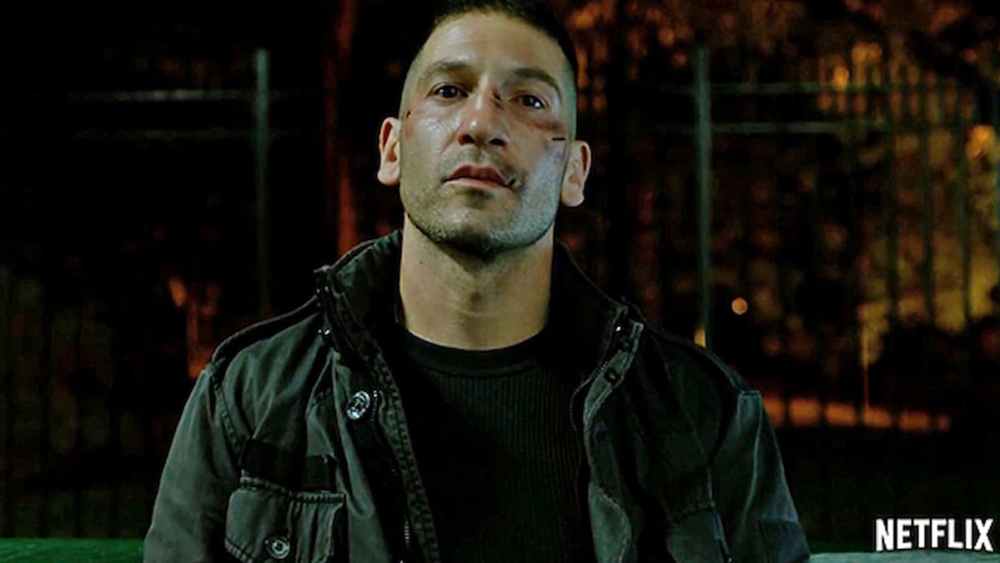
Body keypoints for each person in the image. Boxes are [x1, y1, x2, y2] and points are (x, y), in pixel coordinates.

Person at [144, 1, 809, 561]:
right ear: (392, 148)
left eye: (529, 100)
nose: (482, 124)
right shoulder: (251, 399)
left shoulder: (702, 414)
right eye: (448, 91)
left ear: (575, 172)